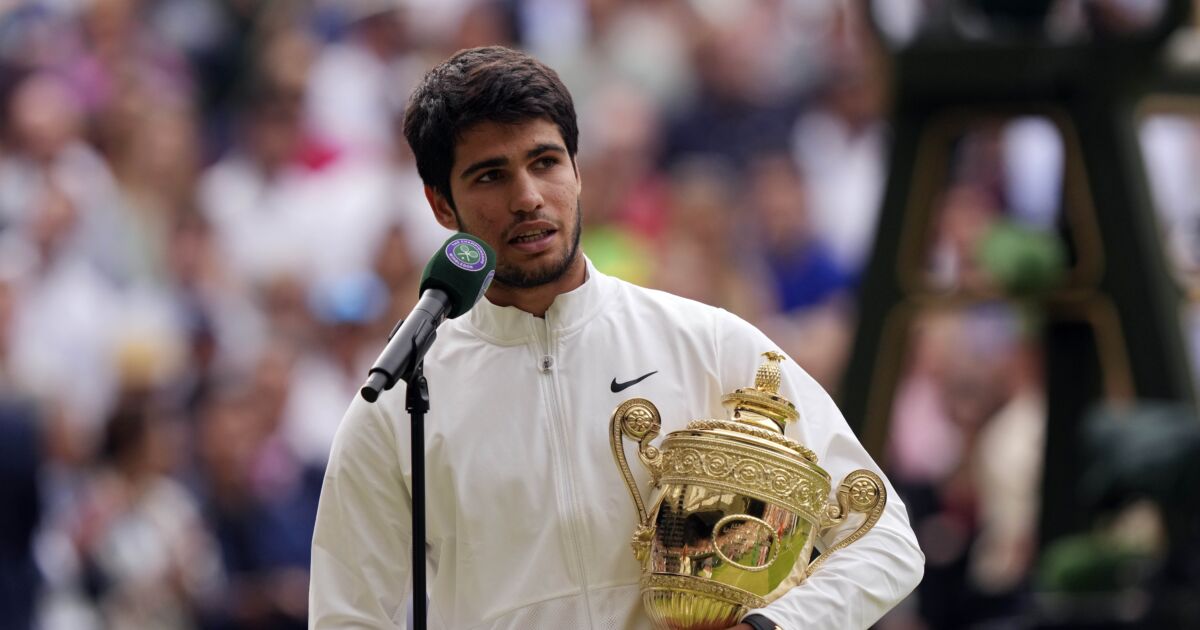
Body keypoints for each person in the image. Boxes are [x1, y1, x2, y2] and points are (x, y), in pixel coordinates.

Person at [309, 46, 924, 629]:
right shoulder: (401, 400)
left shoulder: (706, 343)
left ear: (578, 172)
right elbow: (346, 615)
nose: (527, 197)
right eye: (491, 176)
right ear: (442, 205)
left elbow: (884, 536)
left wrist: (775, 623)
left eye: (545, 162)